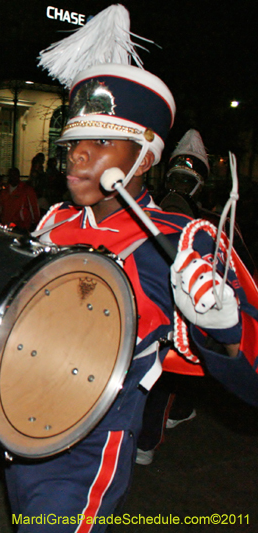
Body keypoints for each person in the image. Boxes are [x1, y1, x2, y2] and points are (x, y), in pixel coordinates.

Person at [9, 5, 258, 529]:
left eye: (101, 143)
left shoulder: (182, 238)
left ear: (145, 157)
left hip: (91, 437)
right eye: (75, 142)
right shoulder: (54, 222)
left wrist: (225, 332)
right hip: (20, 415)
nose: (77, 156)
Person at [137, 129, 211, 465]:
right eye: (177, 180)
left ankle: (146, 439)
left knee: (163, 374)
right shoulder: (146, 212)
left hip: (176, 314)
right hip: (150, 307)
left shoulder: (209, 226)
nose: (180, 189)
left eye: (186, 182)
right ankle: (146, 437)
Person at [0, 167, 39, 231]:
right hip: (6, 226)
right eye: (11, 175)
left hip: (22, 227)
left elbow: (34, 207)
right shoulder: (5, 192)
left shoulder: (27, 190)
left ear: (18, 176)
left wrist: (35, 223)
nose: (13, 177)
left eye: (15, 175)